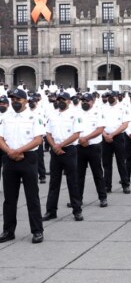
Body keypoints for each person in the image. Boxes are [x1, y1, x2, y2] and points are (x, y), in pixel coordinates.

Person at [0, 89, 45, 243]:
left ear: (25, 101)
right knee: (9, 198)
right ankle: (8, 231)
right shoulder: (6, 117)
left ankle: (37, 231)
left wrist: (19, 150)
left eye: (18, 99)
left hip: (28, 158)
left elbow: (38, 140)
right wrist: (10, 152)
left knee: (32, 197)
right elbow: (0, 138)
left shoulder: (34, 116)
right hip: (9, 158)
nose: (15, 102)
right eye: (12, 99)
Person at [42, 92, 84, 221]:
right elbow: (48, 133)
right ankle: (51, 211)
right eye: (58, 99)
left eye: (63, 99)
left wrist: (60, 145)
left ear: (69, 101)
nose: (60, 101)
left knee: (73, 181)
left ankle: (77, 210)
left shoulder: (75, 115)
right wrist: (54, 146)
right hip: (55, 151)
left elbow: (76, 134)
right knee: (54, 182)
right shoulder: (52, 115)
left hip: (69, 150)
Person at [77, 93, 108, 207]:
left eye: (87, 100)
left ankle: (102, 197)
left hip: (94, 146)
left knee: (97, 173)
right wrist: (80, 139)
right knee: (79, 174)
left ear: (93, 102)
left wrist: (86, 138)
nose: (85, 102)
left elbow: (100, 129)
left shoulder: (98, 113)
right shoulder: (77, 113)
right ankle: (78, 199)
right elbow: (73, 130)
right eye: (83, 100)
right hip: (79, 146)